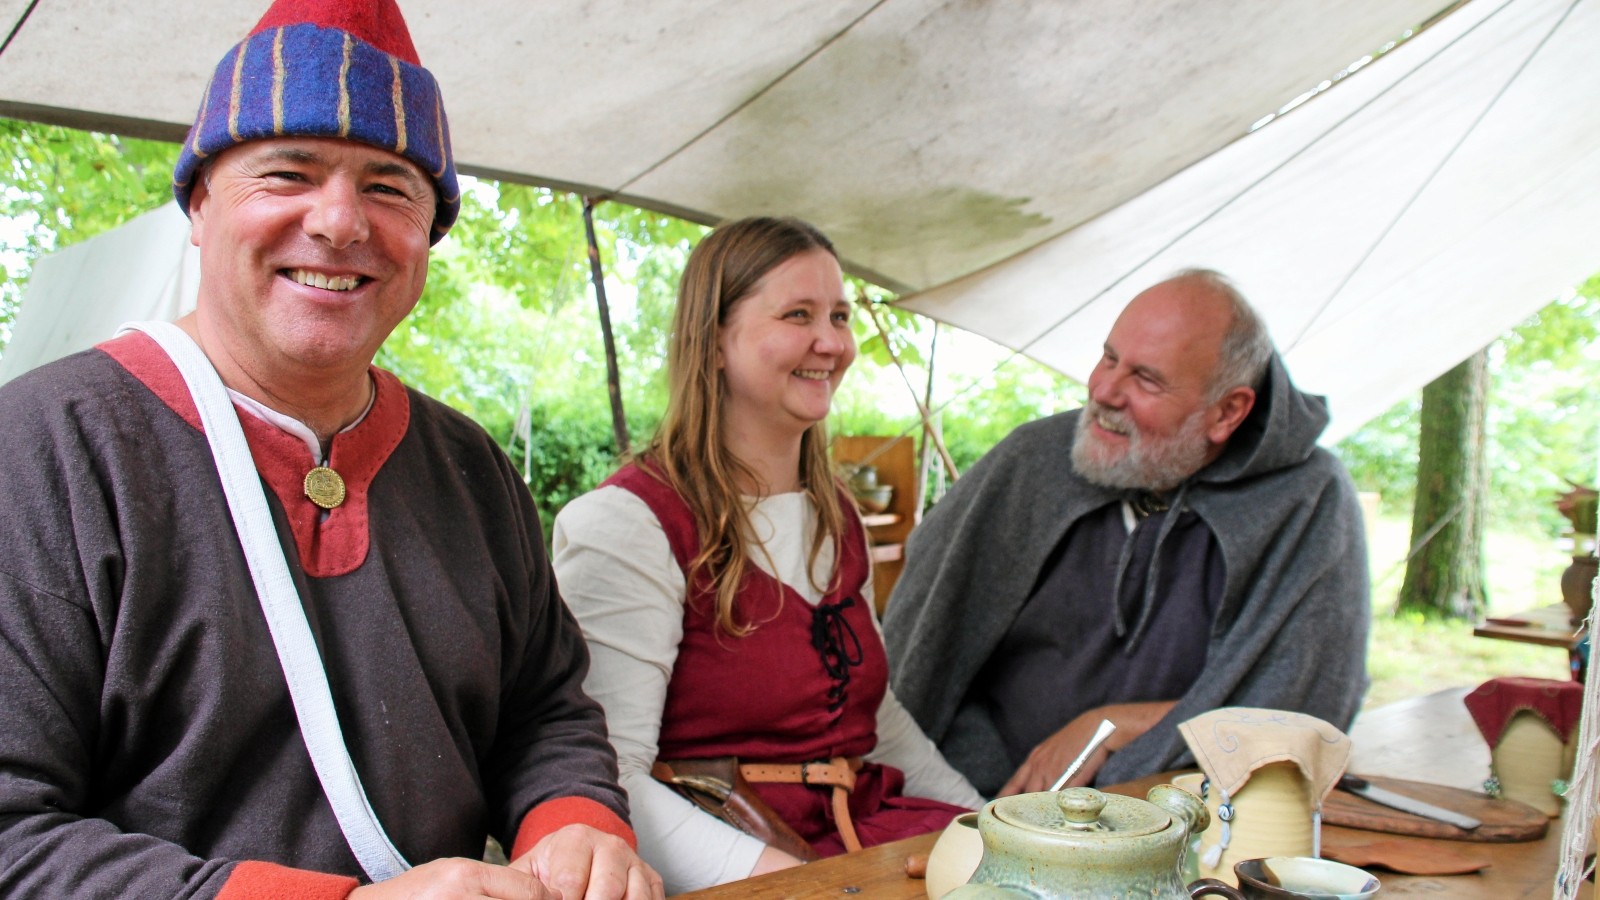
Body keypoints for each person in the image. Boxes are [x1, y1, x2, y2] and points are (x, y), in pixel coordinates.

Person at [0, 2, 663, 898]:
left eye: (390, 187)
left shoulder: (472, 466)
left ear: (429, 231)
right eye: (288, 173)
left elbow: (544, 710)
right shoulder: (42, 447)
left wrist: (575, 824)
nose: (341, 222)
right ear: (198, 203)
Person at [551, 217, 984, 893]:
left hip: (873, 832)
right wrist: (790, 884)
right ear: (715, 341)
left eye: (840, 316)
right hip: (736, 858)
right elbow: (606, 771)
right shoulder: (629, 523)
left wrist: (986, 822)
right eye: (798, 314)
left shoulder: (836, 514)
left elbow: (877, 722)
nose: (833, 342)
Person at [882, 269, 1370, 797]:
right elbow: (925, 661)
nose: (1103, 390)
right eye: (1108, 357)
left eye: (1146, 379)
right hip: (980, 797)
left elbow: (1294, 716)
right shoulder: (1031, 463)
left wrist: (1114, 727)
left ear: (1228, 411)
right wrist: (985, 796)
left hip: (1192, 822)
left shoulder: (1306, 503)